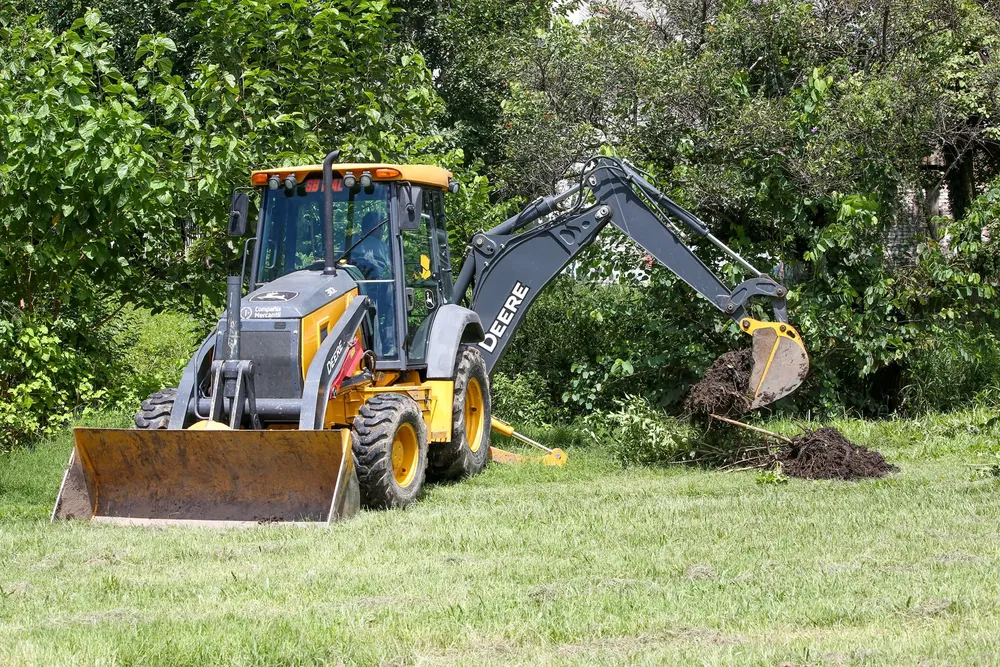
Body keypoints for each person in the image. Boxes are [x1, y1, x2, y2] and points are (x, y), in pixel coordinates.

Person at [348, 211, 396, 357]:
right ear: (374, 228)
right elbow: (391, 269)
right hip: (377, 288)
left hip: (356, 288)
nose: (382, 231)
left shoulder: (352, 244)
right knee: (393, 303)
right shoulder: (381, 247)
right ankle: (389, 346)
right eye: (381, 228)